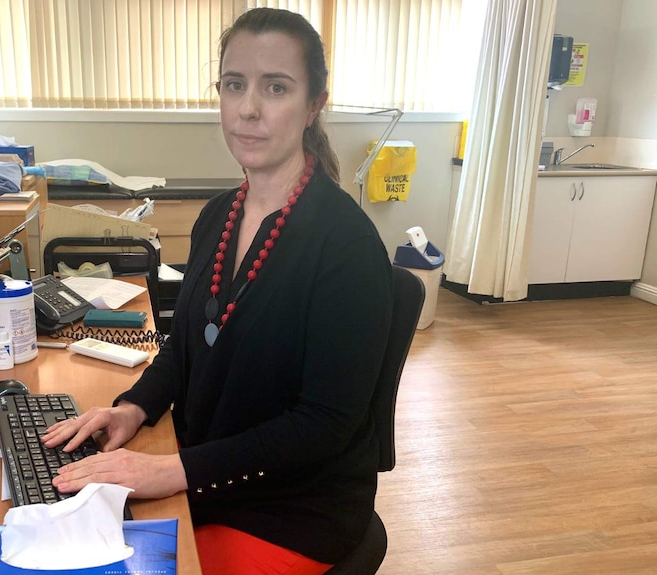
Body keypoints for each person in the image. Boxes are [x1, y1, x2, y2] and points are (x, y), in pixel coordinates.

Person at [42, 7, 394, 574]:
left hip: (290, 508)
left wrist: (165, 473)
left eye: (275, 87)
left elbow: (323, 427)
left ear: (314, 105)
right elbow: (183, 349)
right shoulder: (218, 217)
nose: (249, 109)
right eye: (235, 85)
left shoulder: (345, 246)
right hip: (206, 475)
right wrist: (135, 408)